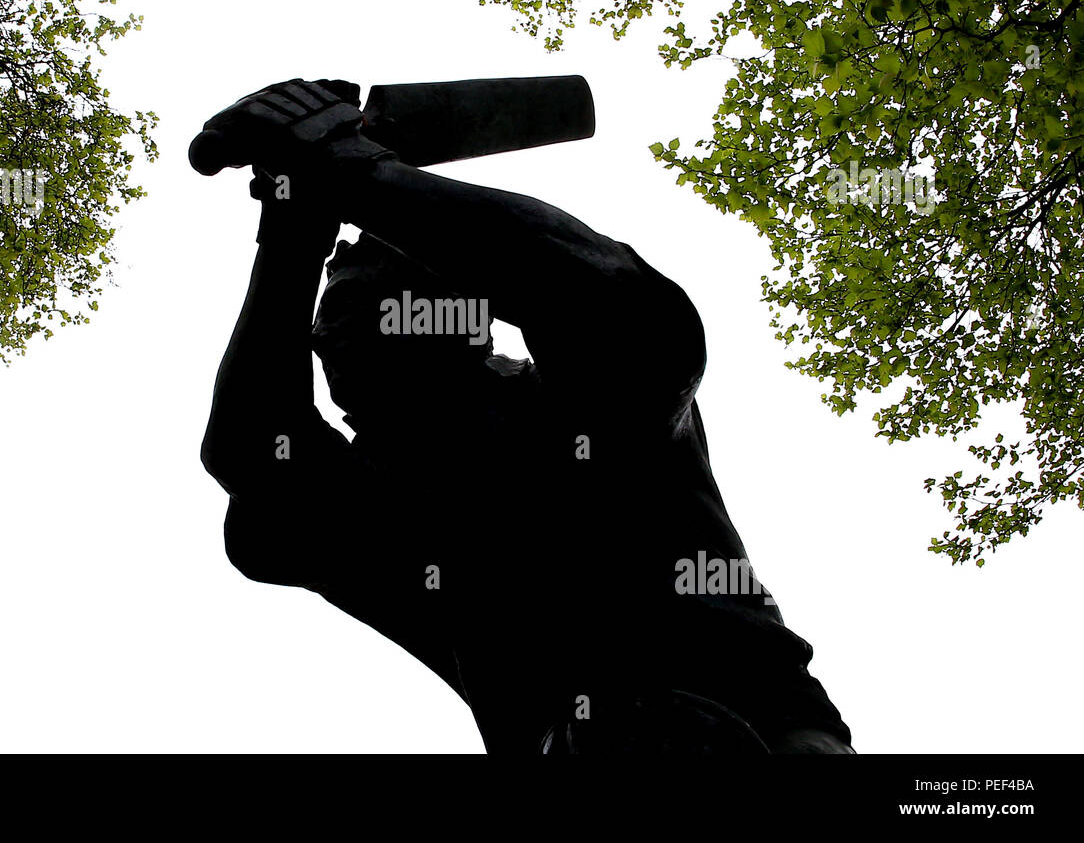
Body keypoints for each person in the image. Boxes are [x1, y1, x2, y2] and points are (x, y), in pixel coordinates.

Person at [196, 79, 854, 754]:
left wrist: (348, 171)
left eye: (365, 297)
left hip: (760, 732)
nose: (327, 327)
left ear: (463, 326)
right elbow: (249, 450)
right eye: (326, 309)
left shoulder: (579, 413)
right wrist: (294, 232)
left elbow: (612, 303)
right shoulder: (382, 496)